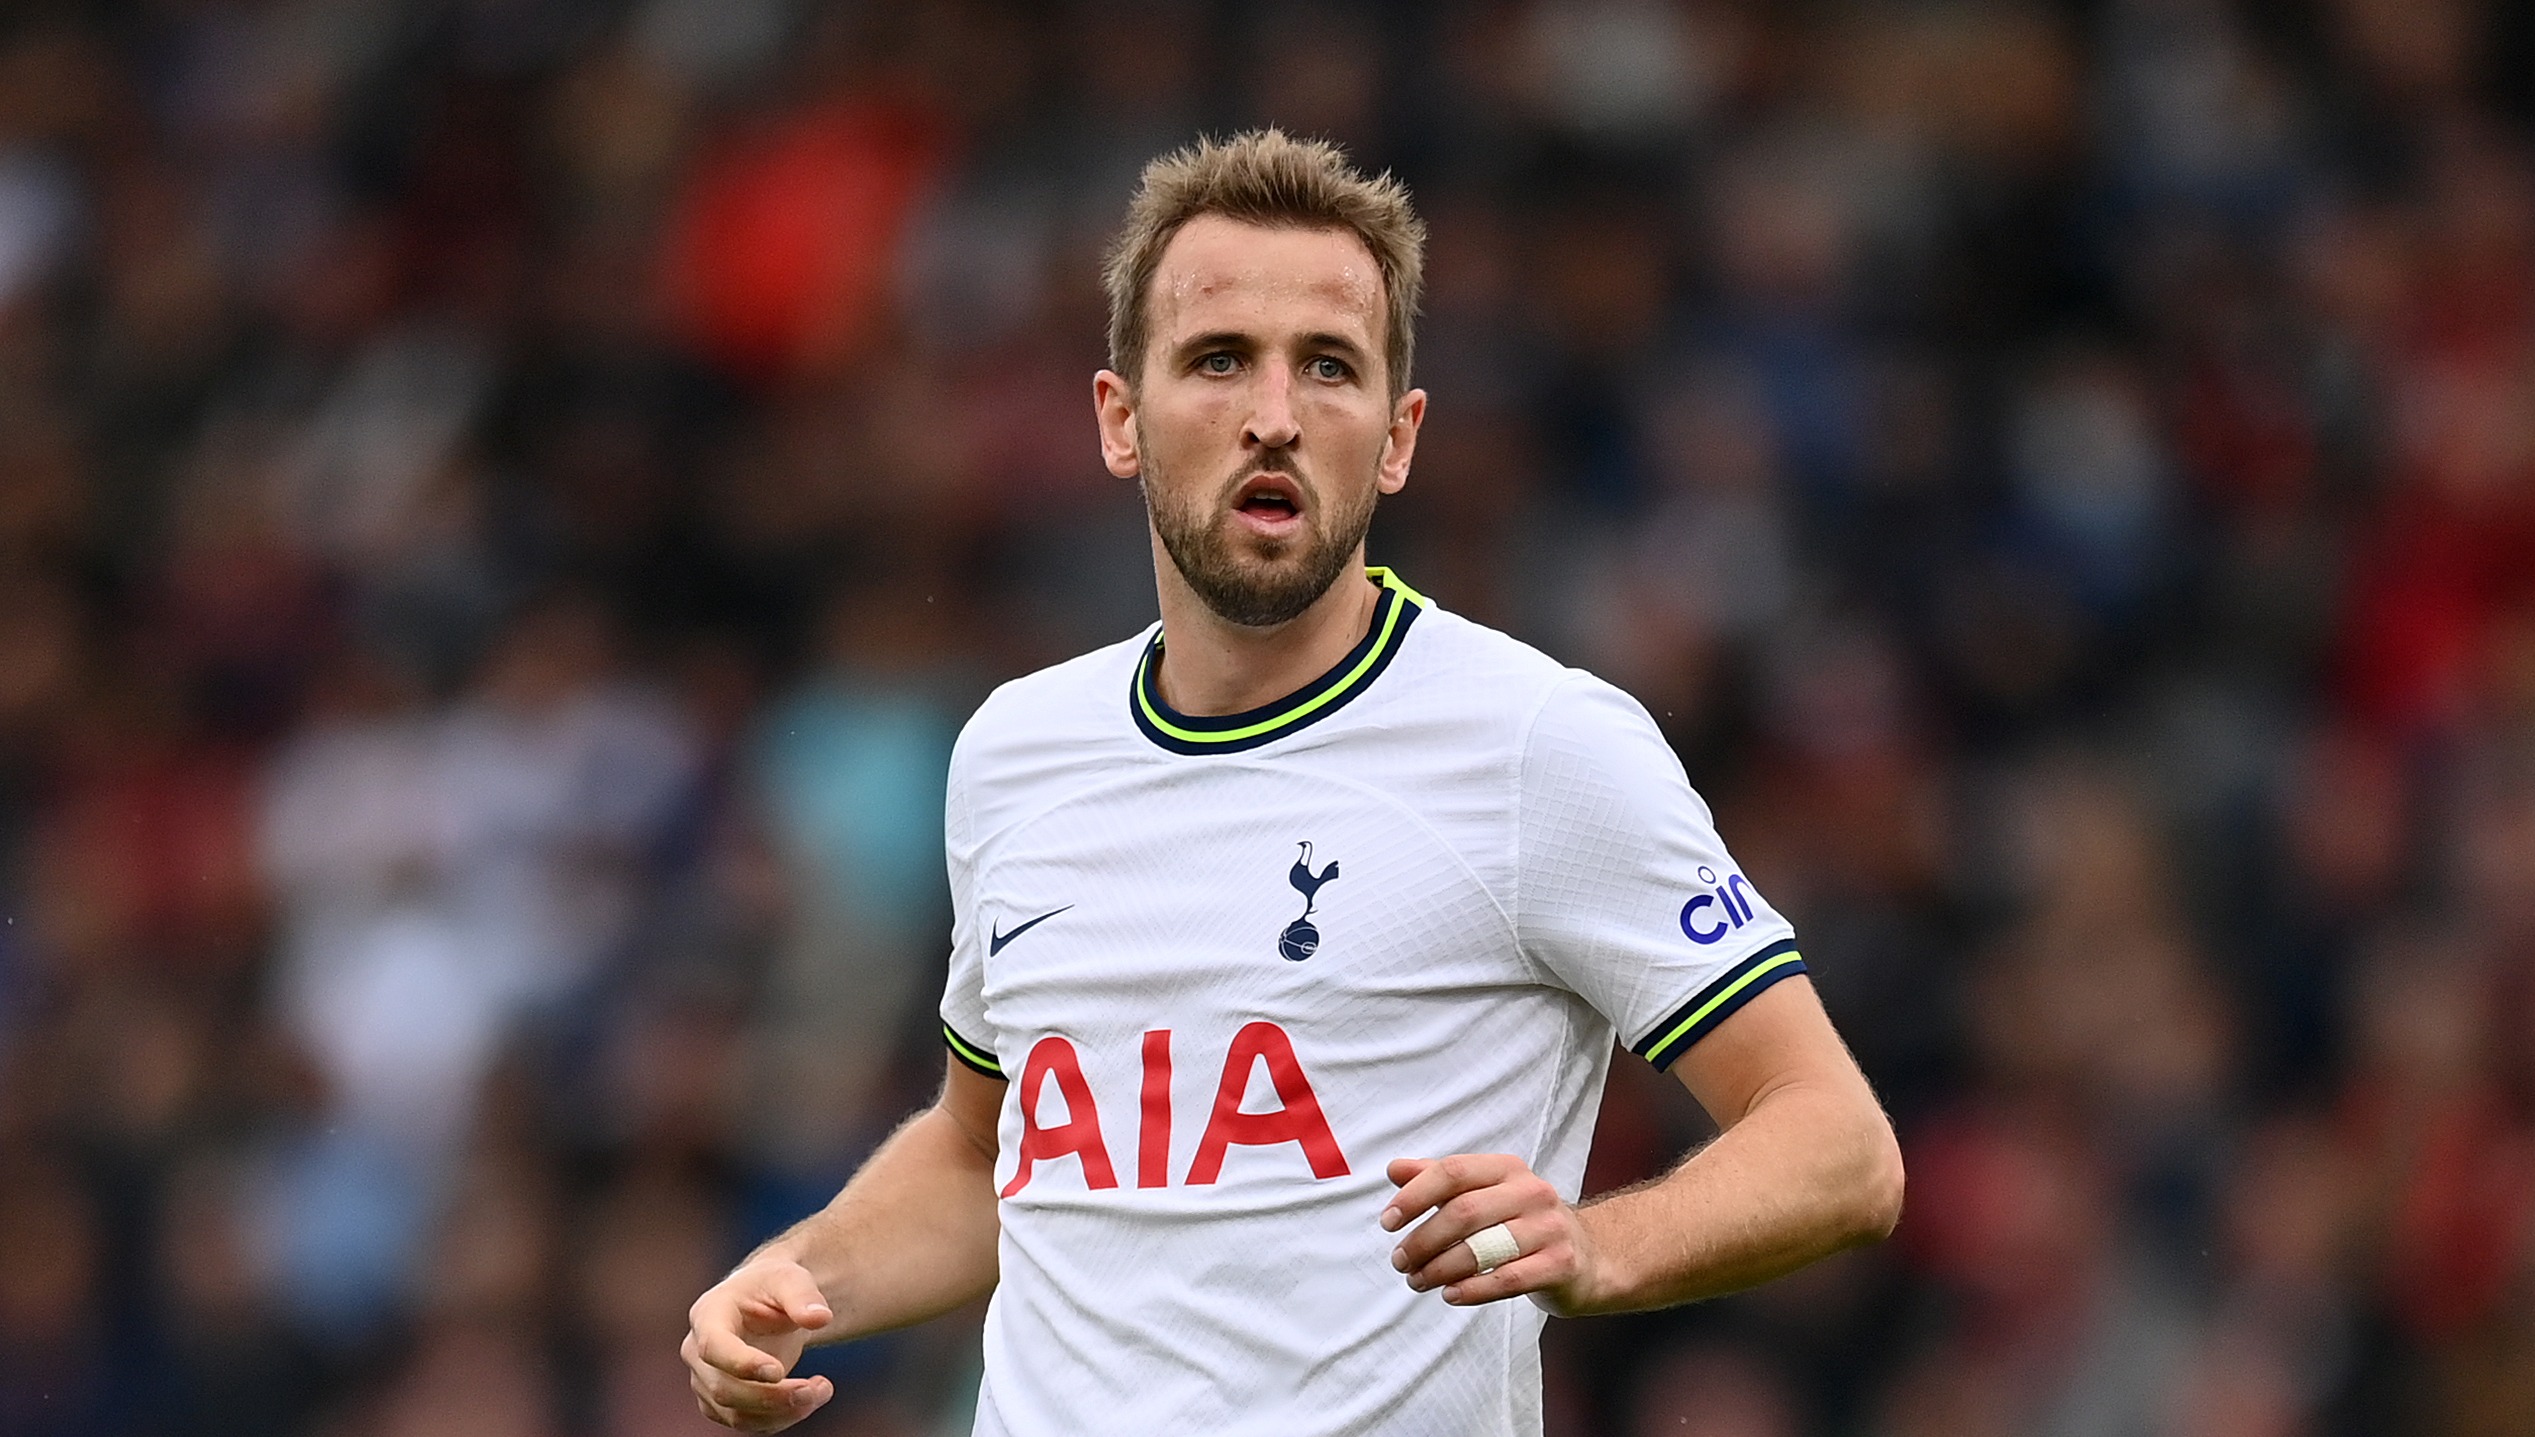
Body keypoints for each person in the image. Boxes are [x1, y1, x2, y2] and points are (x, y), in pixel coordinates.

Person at [683, 129, 1903, 1436]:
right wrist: (798, 1277)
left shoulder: (1536, 743)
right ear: (1117, 417)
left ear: (1394, 436)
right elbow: (992, 1155)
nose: (1273, 413)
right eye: (1218, 360)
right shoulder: (1014, 751)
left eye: (1328, 366)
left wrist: (1601, 1245)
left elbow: (1838, 1144)